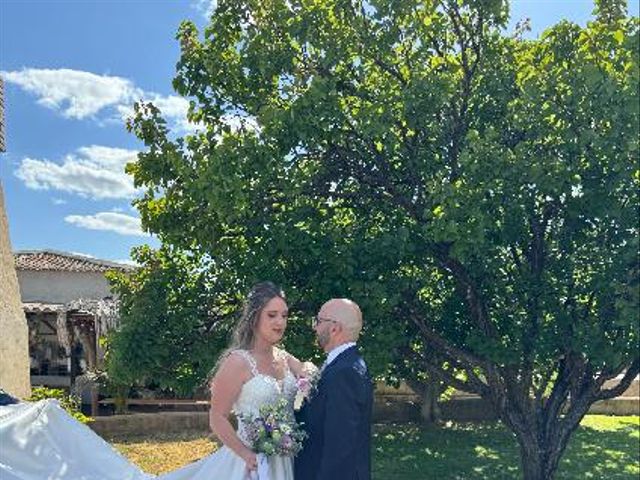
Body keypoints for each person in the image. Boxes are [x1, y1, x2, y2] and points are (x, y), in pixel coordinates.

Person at [163, 281, 310, 480]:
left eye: (284, 315)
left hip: (286, 462)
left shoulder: (286, 358)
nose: (280, 322)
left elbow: (311, 377)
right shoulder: (237, 363)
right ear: (254, 317)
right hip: (250, 465)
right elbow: (217, 417)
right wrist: (246, 455)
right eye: (272, 315)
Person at [295, 298, 374, 480]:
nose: (315, 327)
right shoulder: (343, 364)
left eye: (319, 321)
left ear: (334, 328)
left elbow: (340, 446)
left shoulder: (344, 372)